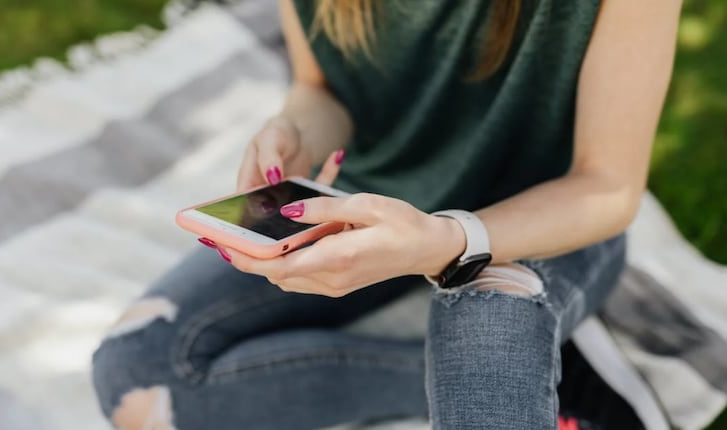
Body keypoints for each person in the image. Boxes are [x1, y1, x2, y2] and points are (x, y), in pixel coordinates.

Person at [92, 0, 683, 428]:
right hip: (372, 198)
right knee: (138, 376)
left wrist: (442, 241)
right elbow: (321, 87)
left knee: (486, 342)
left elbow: (606, 185)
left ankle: (522, 382)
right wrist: (298, 130)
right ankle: (551, 387)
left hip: (542, 217)